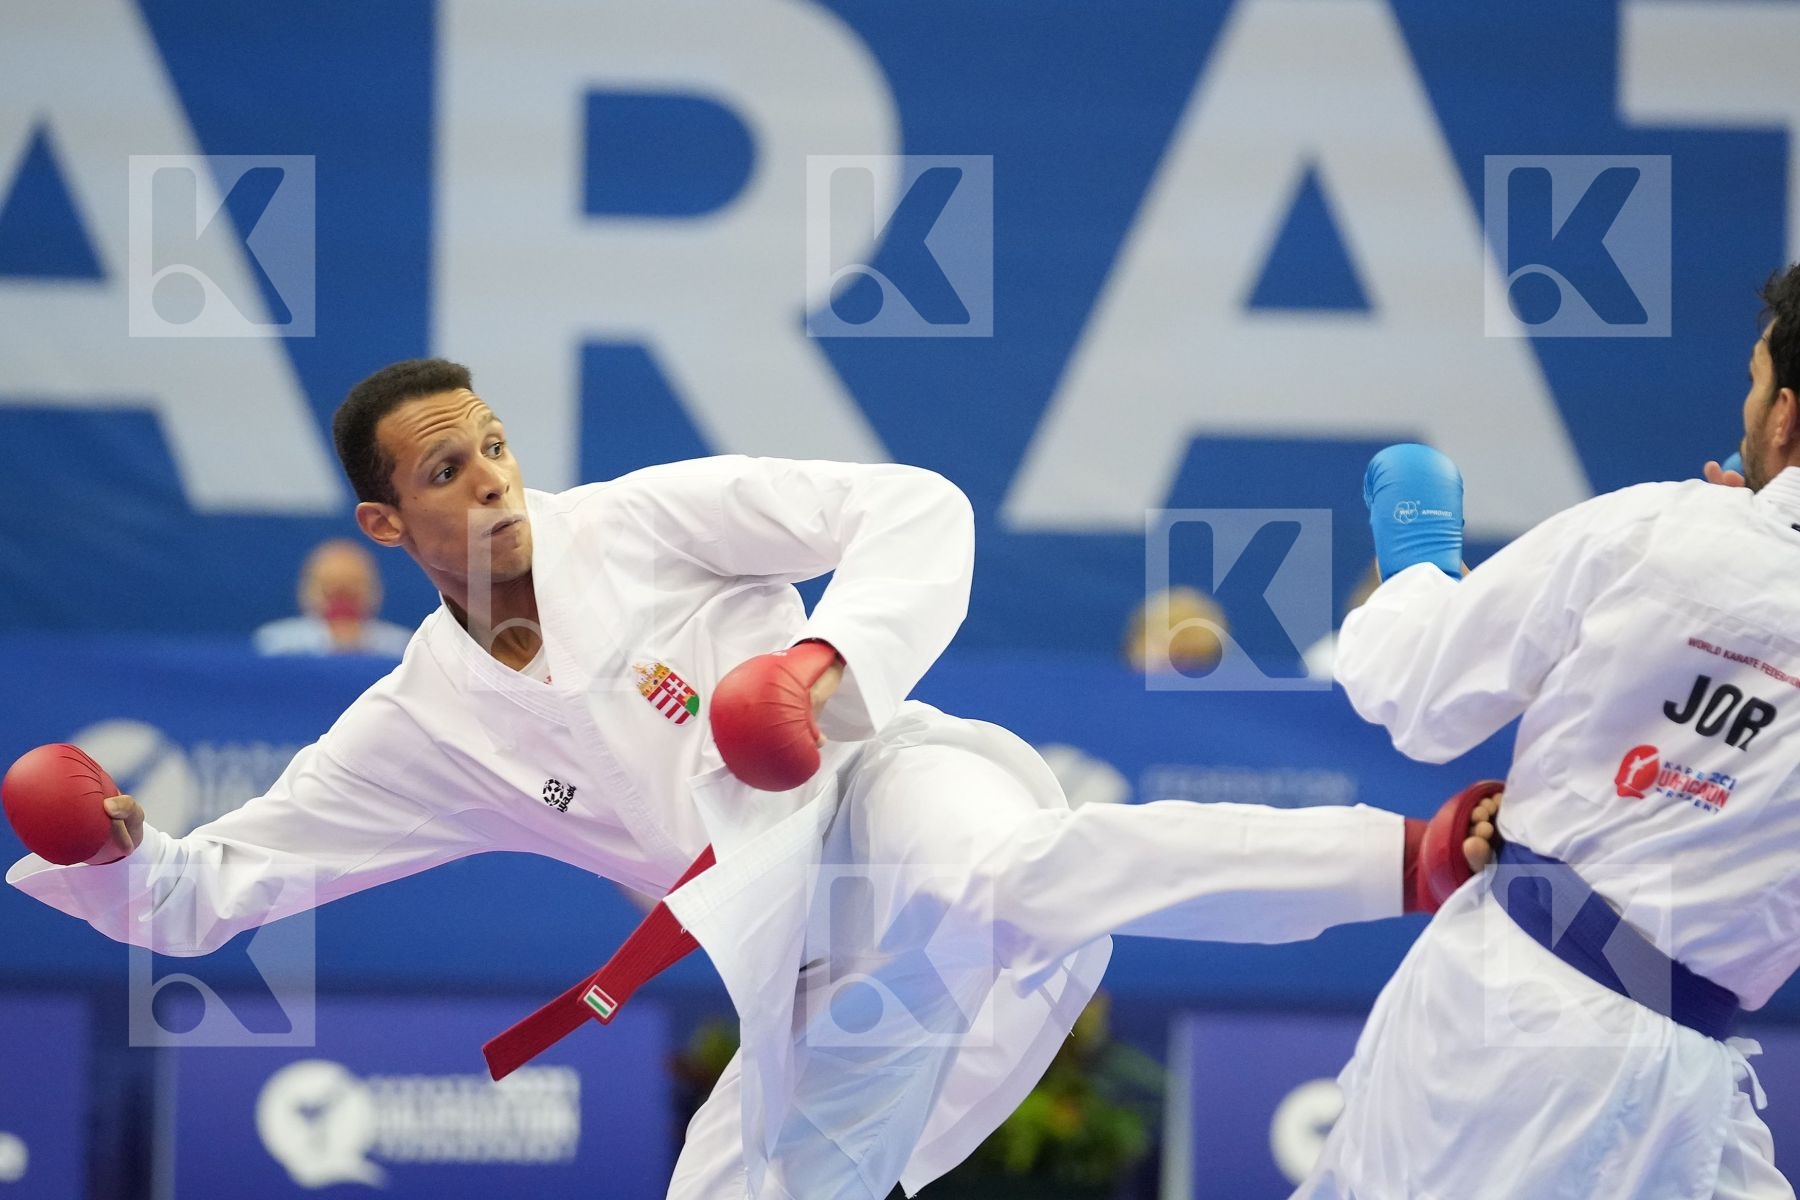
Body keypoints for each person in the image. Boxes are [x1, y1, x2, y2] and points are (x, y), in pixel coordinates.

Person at [9, 358, 1496, 1200]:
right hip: (811, 973)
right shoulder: (422, 725)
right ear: (385, 526)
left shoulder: (642, 523)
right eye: (449, 472)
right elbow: (214, 894)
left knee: (1017, 870)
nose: (494, 482)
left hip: (889, 794)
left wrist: (825, 660)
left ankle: (1409, 860)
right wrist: (113, 849)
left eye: (498, 447)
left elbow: (913, 506)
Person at [1300, 270, 1800, 1198]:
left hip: (1521, 1033)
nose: (1747, 405)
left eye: (1756, 380)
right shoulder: (1679, 533)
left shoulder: (1662, 530)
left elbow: (1417, 691)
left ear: (1786, 420)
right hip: (1638, 1035)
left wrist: (1416, 557)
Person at [252, 537, 415, 658]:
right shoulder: (277, 647)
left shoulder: (402, 650)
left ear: (375, 590)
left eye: (352, 588)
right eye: (329, 587)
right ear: (306, 590)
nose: (341, 600)